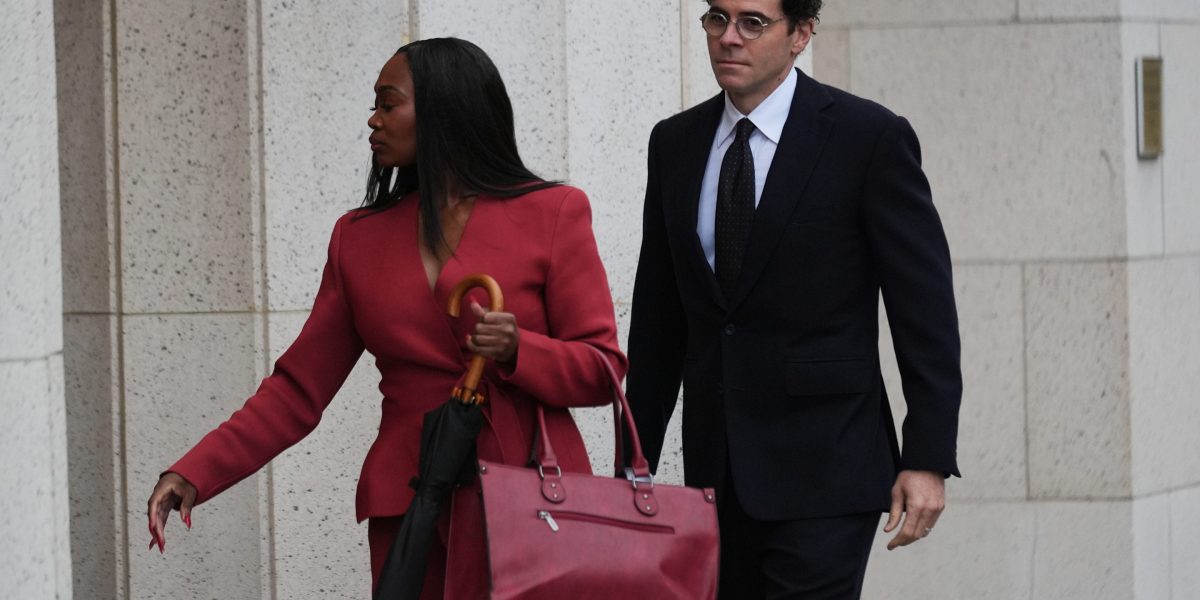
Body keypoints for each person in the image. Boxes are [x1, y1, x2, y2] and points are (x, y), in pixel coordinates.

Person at [146, 37, 627, 598]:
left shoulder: (553, 212)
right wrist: (196, 471)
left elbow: (603, 370)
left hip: (533, 500)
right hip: (411, 508)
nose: (373, 120)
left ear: (444, 110)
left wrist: (521, 350)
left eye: (388, 103)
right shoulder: (358, 238)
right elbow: (297, 390)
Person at [625, 1, 962, 598]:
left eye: (753, 23)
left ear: (802, 33)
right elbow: (659, 320)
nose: (729, 38)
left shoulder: (867, 137)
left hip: (828, 472)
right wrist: (633, 463)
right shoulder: (674, 142)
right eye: (717, 19)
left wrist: (927, 457)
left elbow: (924, 312)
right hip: (715, 476)